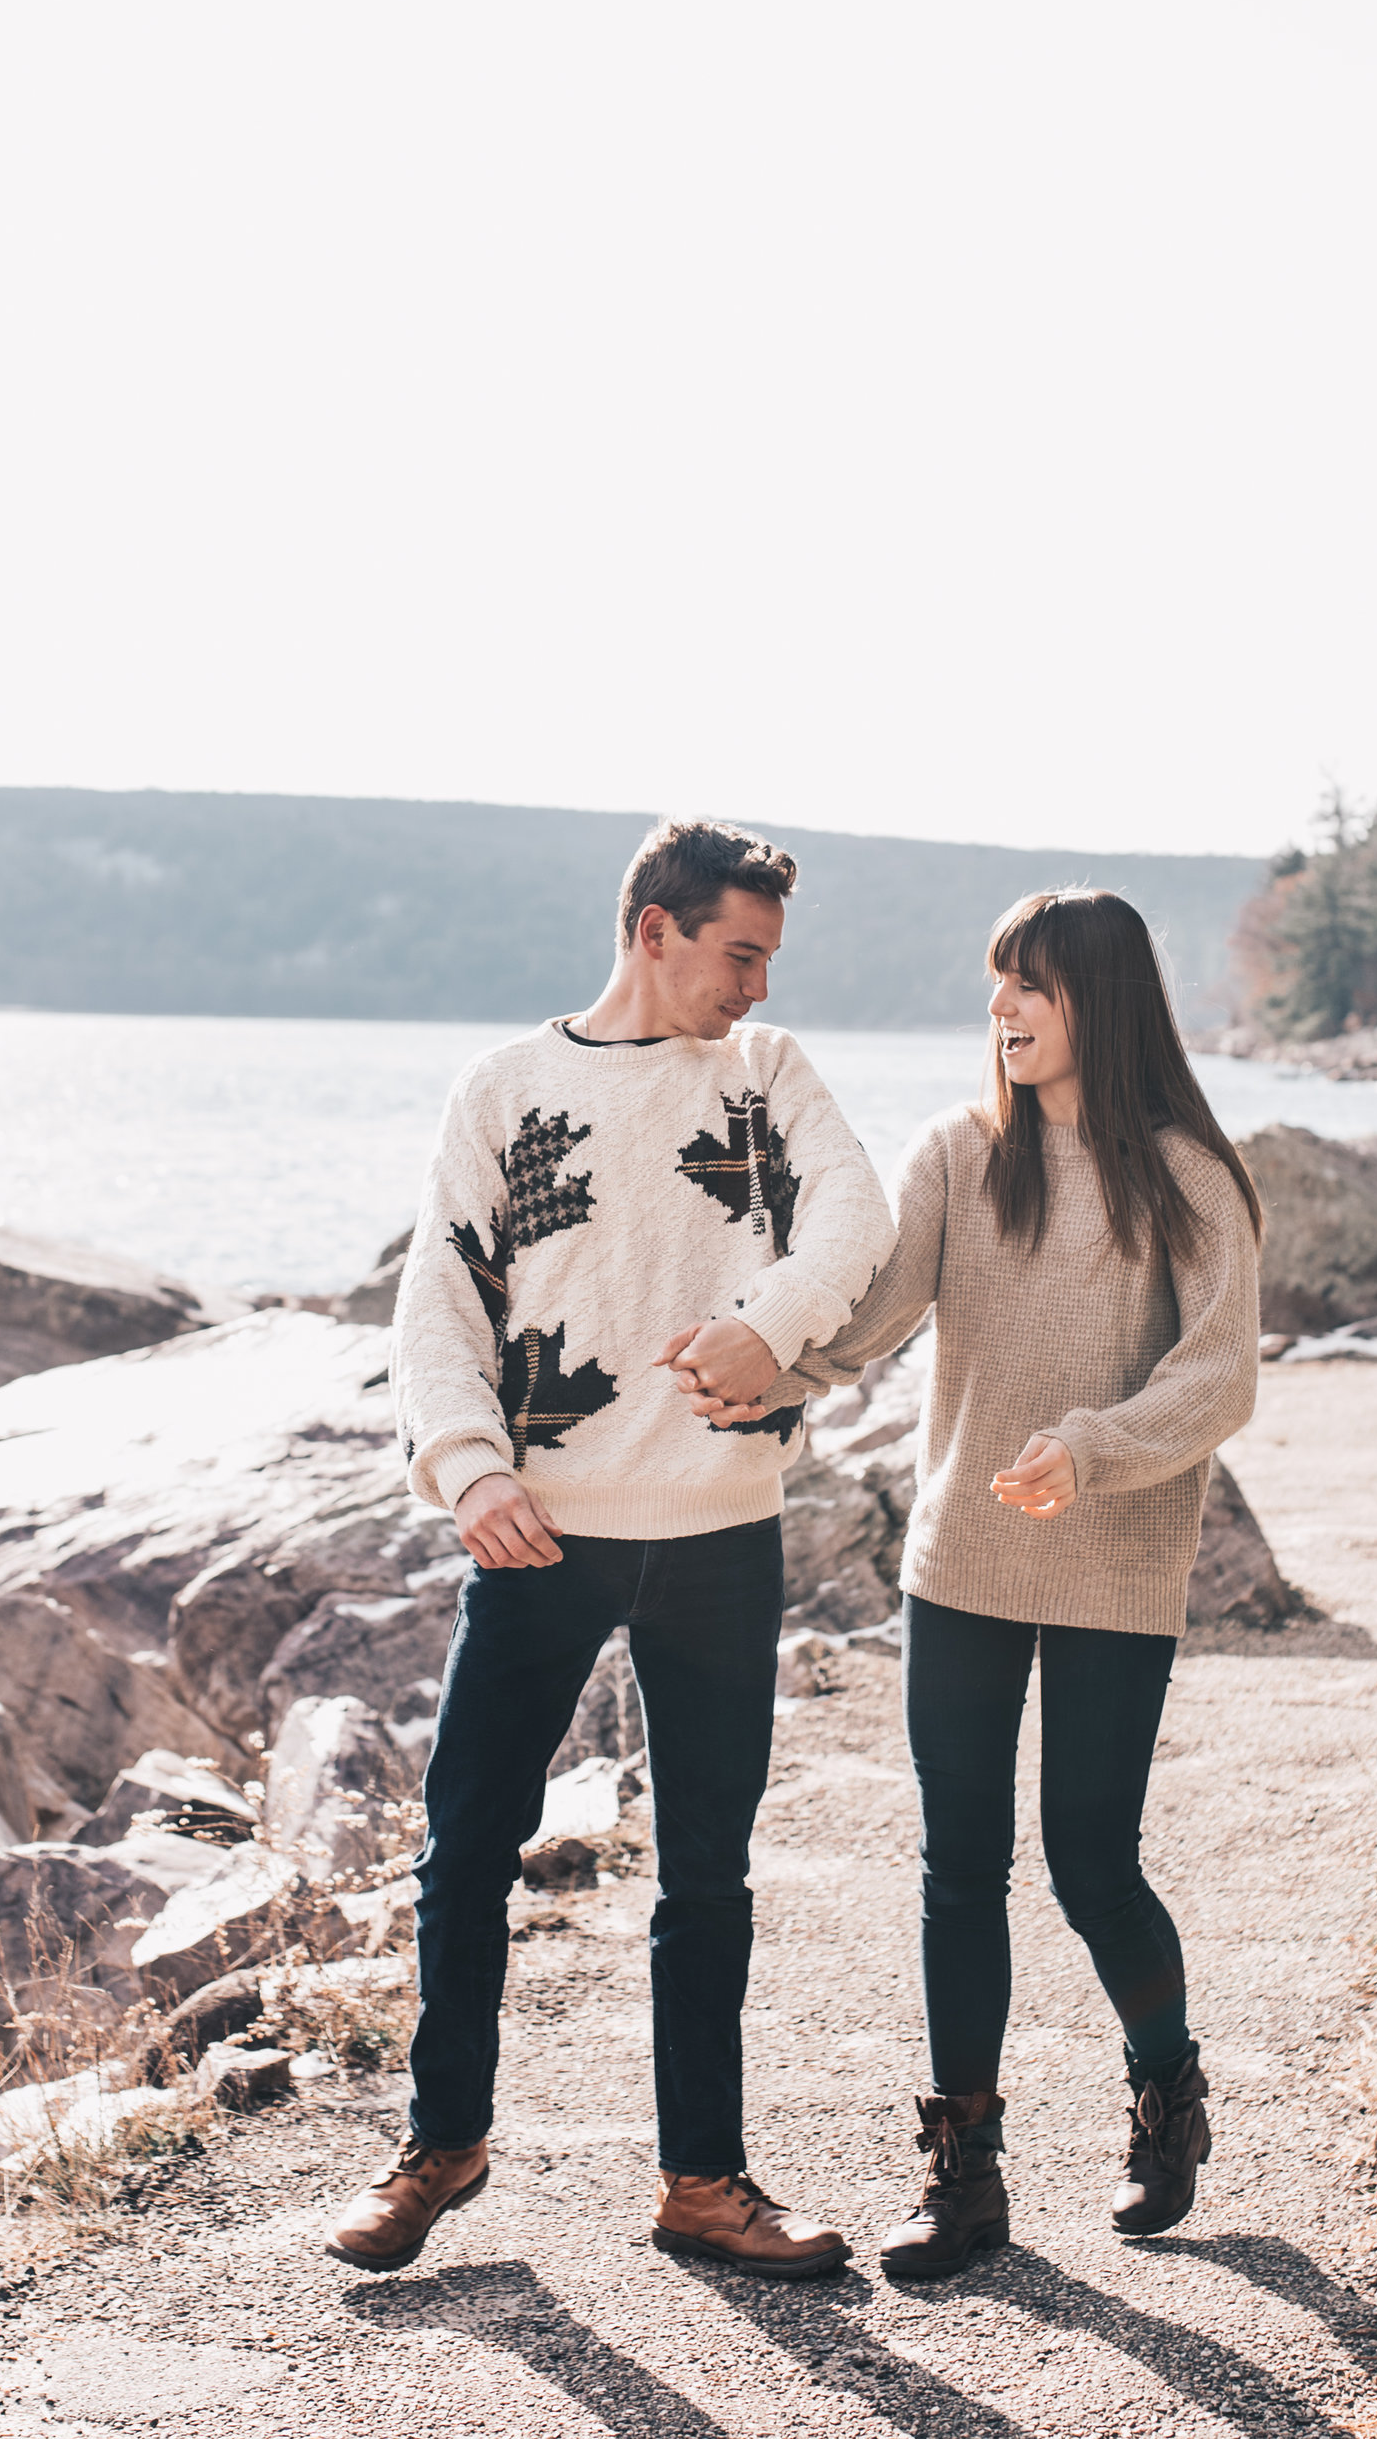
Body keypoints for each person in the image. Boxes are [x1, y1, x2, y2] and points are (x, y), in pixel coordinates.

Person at [326, 817, 897, 2278]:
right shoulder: (506, 1088)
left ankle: (705, 2181)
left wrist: (769, 1326)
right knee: (466, 1846)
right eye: (738, 952)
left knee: (706, 1871)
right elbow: (438, 1306)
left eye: (770, 956)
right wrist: (465, 1469)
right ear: (654, 928)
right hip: (542, 1536)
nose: (758, 985)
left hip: (721, 1534)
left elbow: (859, 1212)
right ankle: (441, 2143)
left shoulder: (768, 1080)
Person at [686, 886, 1261, 2279]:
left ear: (1100, 1005)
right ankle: (966, 2175)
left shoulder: (1187, 1172)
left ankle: (1166, 2090)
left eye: (1033, 988)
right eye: (997, 985)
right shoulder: (958, 1153)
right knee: (959, 1867)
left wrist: (1095, 1444)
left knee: (1091, 1859)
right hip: (963, 1563)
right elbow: (871, 1319)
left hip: (1116, 1558)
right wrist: (759, 1364)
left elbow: (1220, 1372)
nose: (1002, 1010)